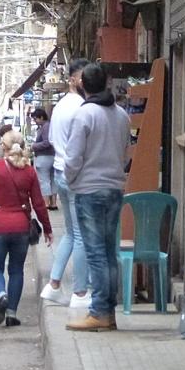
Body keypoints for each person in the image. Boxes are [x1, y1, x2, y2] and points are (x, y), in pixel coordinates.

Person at [65, 63, 131, 332]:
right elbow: (125, 152)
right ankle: (108, 311)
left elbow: (73, 157)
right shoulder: (122, 115)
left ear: (82, 85)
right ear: (107, 83)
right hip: (114, 189)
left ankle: (99, 312)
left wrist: (71, 180)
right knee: (109, 252)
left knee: (96, 254)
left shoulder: (84, 115)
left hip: (89, 190)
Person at [0, 130, 52, 327]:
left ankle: (1, 294)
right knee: (16, 270)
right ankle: (12, 314)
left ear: (3, 147)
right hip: (21, 226)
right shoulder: (29, 171)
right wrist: (47, 229)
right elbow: (39, 204)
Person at [40, 58, 92, 308]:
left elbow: (52, 139)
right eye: (82, 77)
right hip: (74, 176)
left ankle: (54, 284)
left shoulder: (60, 106)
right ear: (72, 79)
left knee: (71, 234)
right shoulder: (81, 107)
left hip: (61, 172)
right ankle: (80, 293)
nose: (86, 81)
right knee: (81, 236)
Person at [30, 108, 58, 210]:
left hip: (44, 157)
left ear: (41, 117)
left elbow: (47, 142)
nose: (35, 121)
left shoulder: (45, 127)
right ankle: (53, 203)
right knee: (53, 180)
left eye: (35, 119)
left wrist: (34, 146)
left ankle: (46, 203)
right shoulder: (50, 126)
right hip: (53, 156)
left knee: (44, 180)